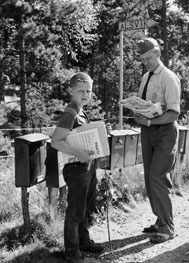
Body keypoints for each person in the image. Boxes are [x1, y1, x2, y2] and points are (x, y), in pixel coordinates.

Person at [51, 72, 103, 263]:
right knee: (75, 210)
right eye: (80, 91)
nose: (85, 94)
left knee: (86, 207)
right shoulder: (70, 113)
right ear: (70, 90)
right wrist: (79, 153)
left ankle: (83, 241)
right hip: (76, 167)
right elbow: (56, 141)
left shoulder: (82, 111)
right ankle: (72, 252)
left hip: (86, 167)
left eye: (88, 91)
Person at [134, 37, 181, 244]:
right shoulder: (146, 77)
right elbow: (146, 105)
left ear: (158, 53)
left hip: (164, 132)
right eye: (143, 59)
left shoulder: (168, 78)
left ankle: (167, 227)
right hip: (148, 130)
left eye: (149, 57)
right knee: (149, 178)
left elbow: (174, 113)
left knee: (157, 177)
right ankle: (159, 219)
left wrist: (150, 122)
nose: (147, 62)